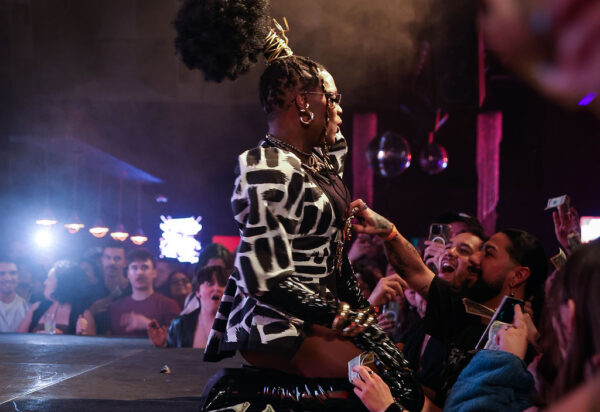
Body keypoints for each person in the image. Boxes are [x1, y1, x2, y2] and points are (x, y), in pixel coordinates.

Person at [173, 1, 422, 410]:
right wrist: (341, 314)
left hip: (315, 316)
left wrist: (357, 310)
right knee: (389, 386)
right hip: (278, 324)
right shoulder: (267, 167)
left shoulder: (317, 163)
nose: (340, 108)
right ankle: (240, 393)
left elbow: (333, 254)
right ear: (305, 104)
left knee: (402, 378)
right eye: (333, 98)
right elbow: (265, 277)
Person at [349, 200, 547, 406]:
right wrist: (387, 231)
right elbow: (414, 270)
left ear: (517, 276)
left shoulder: (519, 351)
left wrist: (389, 405)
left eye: (487, 253)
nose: (475, 259)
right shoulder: (460, 309)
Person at [445, 239, 600, 411]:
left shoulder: (516, 361)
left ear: (570, 317)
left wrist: (502, 360)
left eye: (488, 253)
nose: (475, 259)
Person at [147, 265, 226, 348]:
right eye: (209, 284)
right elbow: (173, 355)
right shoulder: (180, 325)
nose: (217, 288)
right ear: (198, 292)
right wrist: (163, 346)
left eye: (222, 284)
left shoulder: (235, 325)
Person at [109, 249, 180, 337]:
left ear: (154, 273)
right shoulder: (115, 307)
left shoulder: (169, 305)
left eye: (144, 267)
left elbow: (176, 339)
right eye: (134, 267)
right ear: (128, 274)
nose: (139, 272)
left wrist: (148, 324)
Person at [17, 260, 95, 335]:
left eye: (49, 279)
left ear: (62, 284)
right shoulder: (37, 308)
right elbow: (19, 338)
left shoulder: (83, 314)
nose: (44, 282)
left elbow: (89, 343)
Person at [88, 242, 130, 334]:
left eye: (117, 258)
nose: (112, 263)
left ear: (125, 262)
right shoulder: (91, 290)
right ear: (101, 260)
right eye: (107, 258)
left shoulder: (133, 290)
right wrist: (92, 311)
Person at [0, 256, 29, 332]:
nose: (8, 278)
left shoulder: (26, 307)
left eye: (12, 273)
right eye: (1, 273)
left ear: (18, 276)